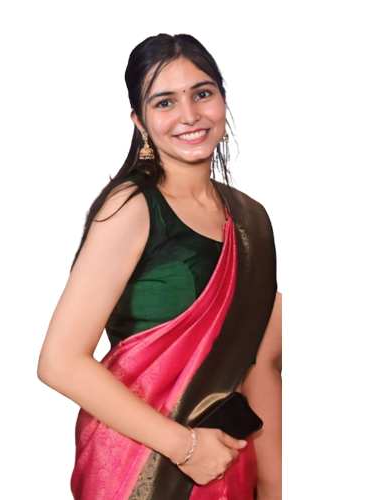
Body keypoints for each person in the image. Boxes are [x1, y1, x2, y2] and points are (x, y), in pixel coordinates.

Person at [37, 33, 281, 500]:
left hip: (228, 459)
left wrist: (273, 486)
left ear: (223, 100)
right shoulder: (132, 208)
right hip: (139, 465)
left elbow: (262, 363)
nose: (189, 115)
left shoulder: (251, 219)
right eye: (165, 102)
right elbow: (59, 362)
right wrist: (185, 447)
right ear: (140, 121)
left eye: (202, 94)